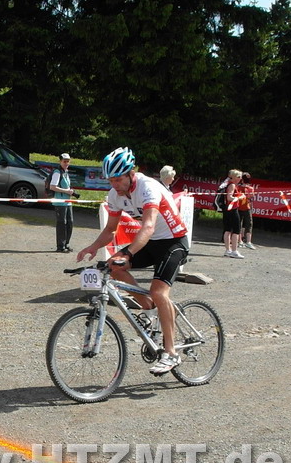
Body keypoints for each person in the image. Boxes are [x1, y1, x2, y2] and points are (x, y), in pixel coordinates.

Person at [77, 147, 189, 375]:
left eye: (118, 179)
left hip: (173, 241)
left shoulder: (148, 187)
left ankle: (171, 353)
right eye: (111, 180)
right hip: (150, 242)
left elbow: (148, 226)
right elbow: (110, 229)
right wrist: (93, 246)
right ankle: (148, 308)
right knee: (112, 266)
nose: (115, 184)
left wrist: (127, 254)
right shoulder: (115, 195)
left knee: (159, 291)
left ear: (131, 173)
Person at [50, 153, 76, 253]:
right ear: (60, 161)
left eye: (68, 161)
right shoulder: (57, 172)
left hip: (68, 202)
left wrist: (70, 191)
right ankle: (60, 246)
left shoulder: (65, 172)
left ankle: (66, 244)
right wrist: (66, 191)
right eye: (64, 161)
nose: (66, 163)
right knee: (62, 224)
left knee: (70, 223)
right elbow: (52, 187)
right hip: (60, 202)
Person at [222, 169, 245, 259]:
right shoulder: (232, 185)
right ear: (234, 177)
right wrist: (239, 198)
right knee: (236, 230)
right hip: (232, 209)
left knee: (227, 229)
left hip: (227, 209)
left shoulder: (227, 184)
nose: (240, 178)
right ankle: (234, 251)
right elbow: (229, 197)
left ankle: (228, 250)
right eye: (238, 177)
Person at [238, 172, 256, 250]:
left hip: (244, 207)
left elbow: (250, 197)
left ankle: (245, 241)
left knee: (246, 224)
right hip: (242, 207)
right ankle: (243, 241)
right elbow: (251, 197)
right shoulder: (249, 188)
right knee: (245, 224)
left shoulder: (240, 187)